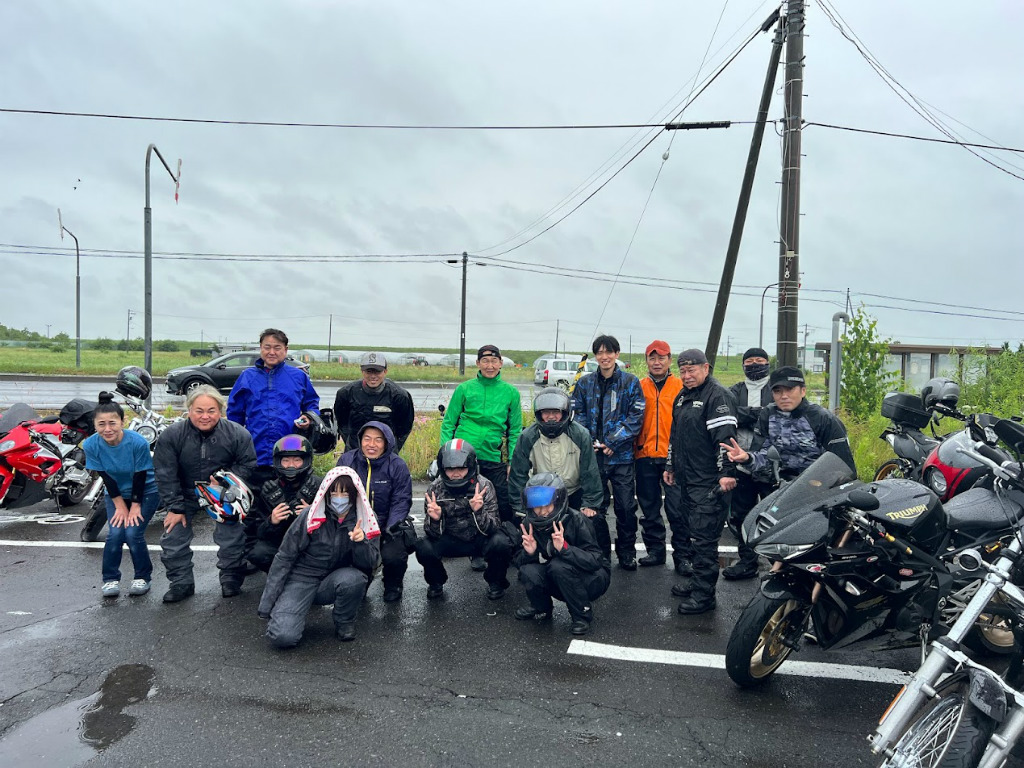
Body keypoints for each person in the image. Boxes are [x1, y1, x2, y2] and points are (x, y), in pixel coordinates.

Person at [154, 385, 258, 602]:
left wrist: (224, 480)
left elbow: (248, 464)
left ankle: (230, 578)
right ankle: (181, 583)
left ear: (220, 411)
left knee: (232, 537)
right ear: (189, 410)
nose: (205, 416)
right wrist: (174, 507)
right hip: (184, 493)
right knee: (173, 538)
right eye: (199, 411)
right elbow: (165, 472)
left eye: (211, 411)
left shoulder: (238, 434)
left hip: (222, 492)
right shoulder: (171, 435)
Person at [258, 467, 381, 647]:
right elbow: (284, 557)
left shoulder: (366, 518)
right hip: (302, 578)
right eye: (334, 493)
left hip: (335, 579)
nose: (339, 498)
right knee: (283, 637)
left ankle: (344, 621)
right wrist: (267, 603)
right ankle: (287, 611)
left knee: (354, 579)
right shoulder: (310, 515)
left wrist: (360, 542)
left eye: (345, 493)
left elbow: (371, 563)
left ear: (355, 494)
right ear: (326, 493)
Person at [664, 349, 737, 615]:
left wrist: (727, 473)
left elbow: (726, 440)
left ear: (706, 368)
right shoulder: (682, 396)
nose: (686, 375)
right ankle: (697, 582)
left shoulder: (718, 396)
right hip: (687, 479)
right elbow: (674, 436)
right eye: (682, 371)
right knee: (692, 534)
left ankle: (704, 596)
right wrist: (670, 465)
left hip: (710, 482)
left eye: (691, 370)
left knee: (705, 540)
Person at [570, 334, 645, 569]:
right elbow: (577, 414)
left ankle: (627, 552)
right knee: (595, 508)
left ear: (616, 354)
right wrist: (590, 441)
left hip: (621, 458)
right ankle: (599, 552)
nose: (604, 357)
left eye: (609, 352)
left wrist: (613, 442)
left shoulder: (630, 382)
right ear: (595, 356)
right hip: (593, 457)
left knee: (625, 507)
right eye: (600, 352)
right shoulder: (585, 383)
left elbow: (636, 416)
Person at [82, 392, 161, 599]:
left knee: (133, 533)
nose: (107, 429)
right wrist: (119, 505)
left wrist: (134, 505)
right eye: (101, 424)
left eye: (112, 423)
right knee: (115, 534)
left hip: (146, 491)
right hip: (116, 492)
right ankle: (110, 579)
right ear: (95, 425)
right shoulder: (91, 445)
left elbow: (140, 475)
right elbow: (105, 476)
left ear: (122, 422)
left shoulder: (138, 442)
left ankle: (143, 576)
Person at [721, 365, 856, 485]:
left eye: (790, 389)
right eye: (778, 391)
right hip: (780, 488)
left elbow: (843, 466)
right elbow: (762, 457)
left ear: (803, 391)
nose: (784, 396)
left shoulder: (823, 418)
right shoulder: (768, 414)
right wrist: (747, 458)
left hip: (817, 488)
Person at [512, 473, 610, 636]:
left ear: (558, 502)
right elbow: (518, 563)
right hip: (561, 576)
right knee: (528, 570)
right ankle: (541, 607)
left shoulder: (577, 519)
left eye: (547, 506)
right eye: (537, 507)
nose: (542, 512)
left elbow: (595, 560)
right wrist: (530, 553)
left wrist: (565, 549)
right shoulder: (528, 524)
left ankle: (581, 615)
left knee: (558, 566)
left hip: (593, 579)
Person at [416, 439, 513, 600]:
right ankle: (436, 582)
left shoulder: (484, 485)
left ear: (471, 466)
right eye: (450, 469)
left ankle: (496, 581)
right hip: (450, 539)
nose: (456, 474)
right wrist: (436, 519)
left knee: (501, 542)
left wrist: (478, 511)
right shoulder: (435, 488)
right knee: (423, 546)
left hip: (479, 538)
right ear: (442, 468)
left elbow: (493, 527)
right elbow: (432, 534)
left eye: (461, 468)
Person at [440, 344, 522, 525]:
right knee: (457, 498)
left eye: (494, 361)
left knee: (503, 502)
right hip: (461, 456)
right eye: (485, 361)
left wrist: (512, 461)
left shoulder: (511, 393)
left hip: (492, 456)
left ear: (500, 363)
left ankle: (502, 536)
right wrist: (445, 454)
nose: (489, 366)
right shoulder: (464, 389)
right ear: (478, 363)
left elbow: (515, 431)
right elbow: (448, 423)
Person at [227, 328, 320, 482]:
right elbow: (234, 416)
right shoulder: (247, 377)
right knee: (258, 494)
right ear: (260, 348)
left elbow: (312, 405)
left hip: (290, 454)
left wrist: (309, 418)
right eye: (267, 347)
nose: (272, 352)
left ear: (285, 350)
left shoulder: (298, 377)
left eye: (277, 348)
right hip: (255, 452)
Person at [336, 420, 413, 602]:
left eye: (378, 440)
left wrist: (391, 526)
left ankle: (393, 584)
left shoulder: (397, 465)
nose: (372, 444)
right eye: (367, 439)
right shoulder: (347, 461)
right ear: (360, 440)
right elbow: (337, 494)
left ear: (386, 443)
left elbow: (401, 500)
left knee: (394, 554)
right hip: (356, 525)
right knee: (349, 553)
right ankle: (360, 583)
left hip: (386, 524)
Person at [722, 347, 775, 580]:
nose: (754, 364)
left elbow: (776, 416)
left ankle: (779, 564)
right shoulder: (734, 390)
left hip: (771, 466)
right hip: (742, 464)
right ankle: (747, 561)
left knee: (775, 516)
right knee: (741, 515)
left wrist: (749, 414)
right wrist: (759, 413)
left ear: (768, 363)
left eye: (759, 360)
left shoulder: (777, 389)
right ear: (743, 365)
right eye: (750, 361)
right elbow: (732, 414)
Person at [508, 387, 602, 519]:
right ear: (539, 414)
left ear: (565, 412)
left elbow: (590, 472)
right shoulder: (527, 437)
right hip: (540, 496)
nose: (551, 416)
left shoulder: (580, 435)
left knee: (596, 521)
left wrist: (590, 504)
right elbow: (518, 477)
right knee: (519, 522)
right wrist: (521, 508)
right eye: (546, 412)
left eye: (556, 412)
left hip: (573, 493)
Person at [633, 340, 685, 571]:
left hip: (673, 457)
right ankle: (655, 551)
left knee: (677, 509)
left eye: (661, 358)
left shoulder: (681, 386)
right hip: (643, 455)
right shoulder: (638, 386)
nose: (657, 362)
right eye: (652, 358)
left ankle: (683, 556)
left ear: (669, 360)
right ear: (646, 361)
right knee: (649, 508)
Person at [248, 434, 323, 573]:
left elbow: (335, 525)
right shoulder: (269, 490)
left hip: (312, 545)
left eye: (297, 460)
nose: (291, 465)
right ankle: (280, 574)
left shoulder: (321, 486)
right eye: (286, 460)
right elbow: (258, 532)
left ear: (306, 460)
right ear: (278, 461)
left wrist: (314, 515)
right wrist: (272, 521)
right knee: (258, 553)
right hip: (281, 544)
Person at [333, 351, 415, 453]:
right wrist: (355, 446)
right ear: (362, 371)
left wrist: (390, 449)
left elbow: (404, 428)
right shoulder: (345, 393)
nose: (373, 376)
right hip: (355, 450)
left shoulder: (400, 396)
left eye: (377, 372)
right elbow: (342, 424)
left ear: (385, 371)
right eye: (369, 371)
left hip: (386, 452)